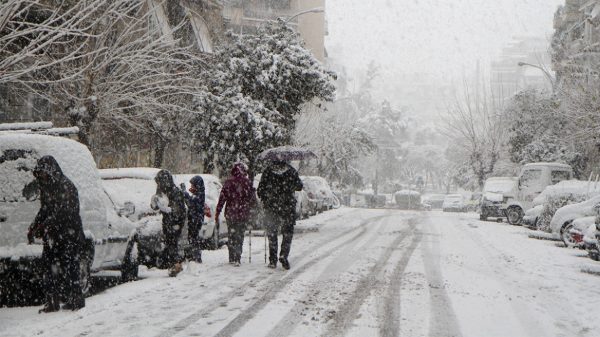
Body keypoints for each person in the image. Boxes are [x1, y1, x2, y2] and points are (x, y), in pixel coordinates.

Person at [27, 155, 86, 312]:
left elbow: (66, 212)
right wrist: (34, 226)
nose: (41, 176)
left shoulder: (67, 186)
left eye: (44, 173)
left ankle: (76, 299)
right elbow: (45, 209)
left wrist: (46, 225)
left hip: (69, 234)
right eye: (39, 173)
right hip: (52, 235)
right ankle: (52, 302)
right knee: (48, 267)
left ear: (51, 171)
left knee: (70, 267)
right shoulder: (46, 188)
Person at [257, 160, 302, 270]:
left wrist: (266, 197)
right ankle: (284, 255)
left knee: (272, 233)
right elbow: (299, 186)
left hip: (271, 207)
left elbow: (260, 190)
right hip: (287, 206)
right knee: (287, 233)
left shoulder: (268, 171)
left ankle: (272, 260)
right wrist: (289, 186)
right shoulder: (291, 171)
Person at [215, 163, 256, 267]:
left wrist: (218, 211)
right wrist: (252, 210)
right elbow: (252, 199)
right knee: (239, 235)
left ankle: (232, 256)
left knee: (231, 234)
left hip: (230, 213)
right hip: (243, 213)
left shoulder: (228, 182)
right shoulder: (247, 182)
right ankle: (238, 256)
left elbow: (222, 198)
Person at [151, 169, 186, 277]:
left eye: (159, 182)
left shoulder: (175, 191)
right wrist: (155, 203)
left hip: (175, 221)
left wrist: (167, 209)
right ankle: (174, 264)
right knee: (170, 242)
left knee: (172, 242)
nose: (159, 185)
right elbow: (155, 205)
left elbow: (177, 209)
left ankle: (176, 264)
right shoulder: (162, 191)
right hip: (168, 221)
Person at [182, 175, 205, 263]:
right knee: (192, 237)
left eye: (192, 185)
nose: (191, 187)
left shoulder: (200, 194)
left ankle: (196, 256)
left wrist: (185, 193)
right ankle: (194, 255)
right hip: (195, 218)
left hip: (196, 219)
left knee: (194, 238)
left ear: (197, 185)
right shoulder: (198, 193)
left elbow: (191, 203)